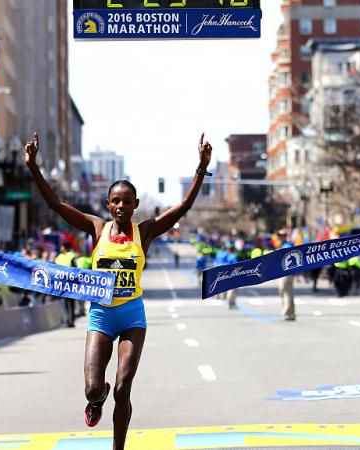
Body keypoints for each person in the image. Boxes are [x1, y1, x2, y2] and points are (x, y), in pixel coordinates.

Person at [25, 131, 211, 450]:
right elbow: (56, 205)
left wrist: (201, 167)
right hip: (101, 315)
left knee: (124, 388)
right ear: (108, 205)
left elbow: (181, 208)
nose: (121, 206)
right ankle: (98, 398)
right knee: (93, 389)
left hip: (131, 316)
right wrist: (33, 167)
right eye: (115, 201)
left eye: (127, 201)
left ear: (136, 204)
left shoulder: (146, 231)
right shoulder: (97, 229)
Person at [279, 241, 295, 321]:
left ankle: (288, 312)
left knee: (287, 292)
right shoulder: (282, 245)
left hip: (287, 273)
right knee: (284, 292)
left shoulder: (287, 245)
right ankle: (290, 313)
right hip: (283, 272)